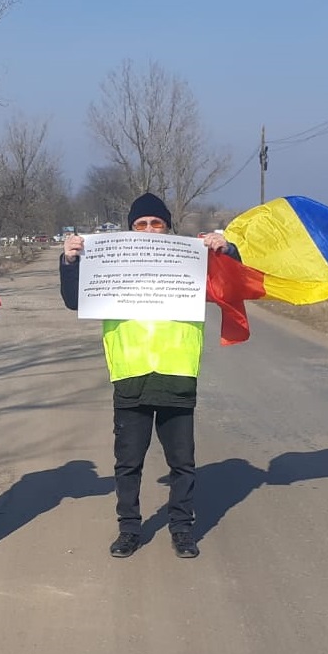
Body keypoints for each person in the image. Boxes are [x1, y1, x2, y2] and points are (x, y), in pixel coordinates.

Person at [59, 192, 237, 560]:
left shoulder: (190, 259)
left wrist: (227, 251)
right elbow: (75, 300)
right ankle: (129, 529)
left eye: (156, 223)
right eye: (141, 224)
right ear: (130, 229)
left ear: (168, 227)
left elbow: (230, 288)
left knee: (182, 462)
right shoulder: (110, 260)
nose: (149, 230)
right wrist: (71, 260)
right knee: (128, 462)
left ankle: (182, 528)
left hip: (177, 370)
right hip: (130, 370)